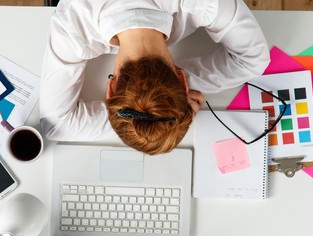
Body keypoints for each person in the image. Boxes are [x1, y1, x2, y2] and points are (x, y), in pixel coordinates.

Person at [39, 0, 270, 155]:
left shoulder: (72, 27)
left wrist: (170, 108)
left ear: (182, 81)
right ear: (110, 88)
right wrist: (139, 116)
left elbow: (255, 60)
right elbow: (56, 125)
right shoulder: (72, 26)